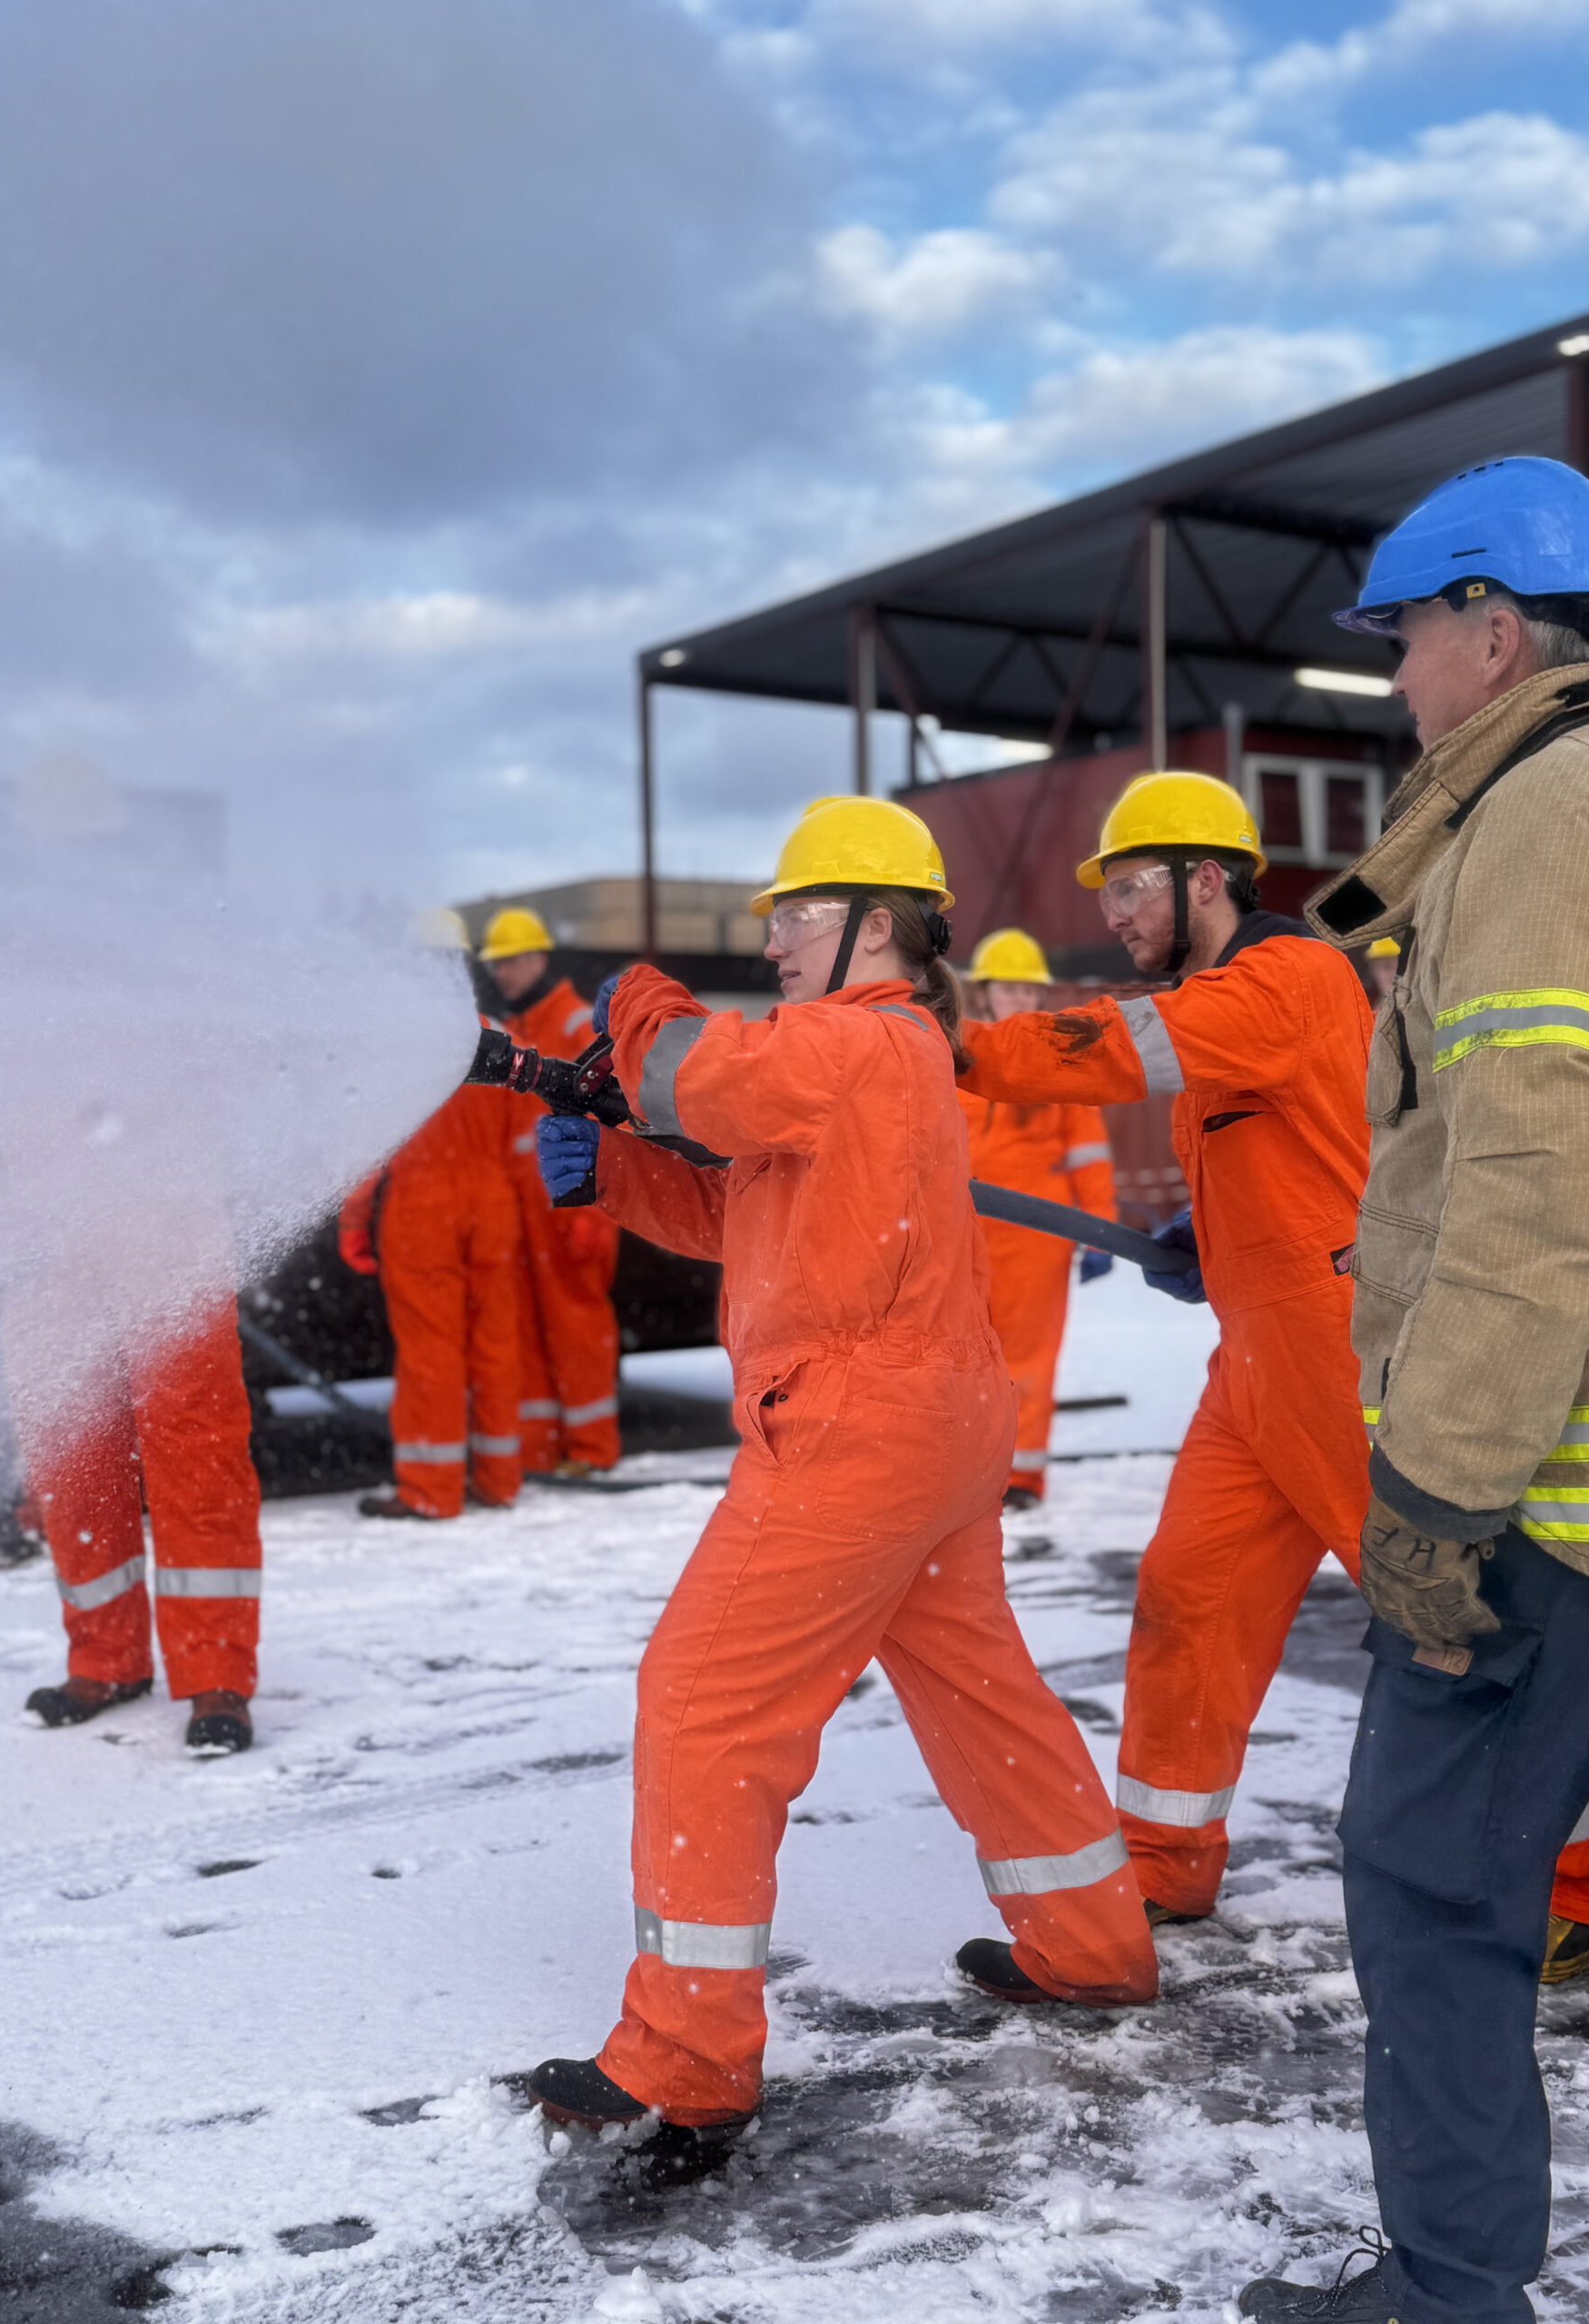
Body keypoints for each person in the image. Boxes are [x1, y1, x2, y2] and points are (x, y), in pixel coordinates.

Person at [1236, 457, 1589, 2324]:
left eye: (1410, 637)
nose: (1396, 679)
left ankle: (1453, 2293)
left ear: (1495, 630)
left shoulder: (1542, 818)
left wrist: (1439, 1484)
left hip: (1570, 1474)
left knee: (1434, 1879)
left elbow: (1545, 1184)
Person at [525, 796, 1155, 2136]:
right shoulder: (873, 1058)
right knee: (978, 1687)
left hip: (854, 1424)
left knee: (703, 1703)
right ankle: (1091, 1945)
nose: (776, 942)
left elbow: (694, 1077)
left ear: (880, 925)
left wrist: (633, 997)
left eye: (797, 915)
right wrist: (612, 1176)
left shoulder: (854, 1041)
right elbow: (738, 1203)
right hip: (930, 1419)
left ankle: (683, 2063)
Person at [956, 773, 1375, 1927]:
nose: (1116, 913)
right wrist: (1208, 1231)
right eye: (1110, 893)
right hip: (1255, 1362)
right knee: (1188, 1600)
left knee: (1447, 1620)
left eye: (1134, 885)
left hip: (1346, 1350)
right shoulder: (1227, 995)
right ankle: (1162, 1862)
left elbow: (1119, 1046)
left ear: (1207, 877)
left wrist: (960, 1044)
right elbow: (1280, 1149)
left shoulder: (1287, 977)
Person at [338, 911, 522, 1521]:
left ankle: (431, 1489)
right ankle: (498, 1479)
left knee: (430, 1352)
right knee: (494, 1343)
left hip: (423, 1208)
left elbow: (369, 1147)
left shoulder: (395, 1043)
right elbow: (529, 1136)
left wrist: (353, 1221)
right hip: (493, 1202)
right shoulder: (498, 1032)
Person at [14, 1306, 262, 1754]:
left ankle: (216, 1670)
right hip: (54, 1268)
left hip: (170, 1253)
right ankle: (106, 1658)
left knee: (198, 1464)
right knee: (75, 1463)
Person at [960, 927, 1119, 1509]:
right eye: (1009, 989)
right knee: (961, 1357)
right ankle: (968, 1472)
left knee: (1027, 1359)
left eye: (1030, 991)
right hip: (963, 1234)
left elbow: (1088, 1152)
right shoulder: (955, 1056)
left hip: (1037, 1236)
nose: (1020, 1001)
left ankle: (1020, 1478)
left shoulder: (1059, 1060)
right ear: (984, 992)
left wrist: (1099, 1228)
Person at [478, 906, 622, 1478]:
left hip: (575, 1203)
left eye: (512, 961)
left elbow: (612, 1112)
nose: (504, 973)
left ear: (538, 958)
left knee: (576, 1325)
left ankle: (591, 1448)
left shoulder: (571, 1024)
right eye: (498, 964)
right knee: (531, 1329)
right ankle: (541, 1447)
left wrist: (597, 1213)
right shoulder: (523, 1030)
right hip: (530, 1207)